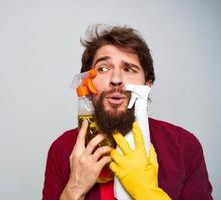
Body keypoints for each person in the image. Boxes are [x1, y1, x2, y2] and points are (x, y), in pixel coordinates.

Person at [42, 25, 213, 200]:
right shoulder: (63, 148)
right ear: (87, 82)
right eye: (103, 68)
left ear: (147, 85)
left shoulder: (183, 145)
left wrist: (147, 193)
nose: (116, 80)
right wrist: (74, 188)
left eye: (129, 69)